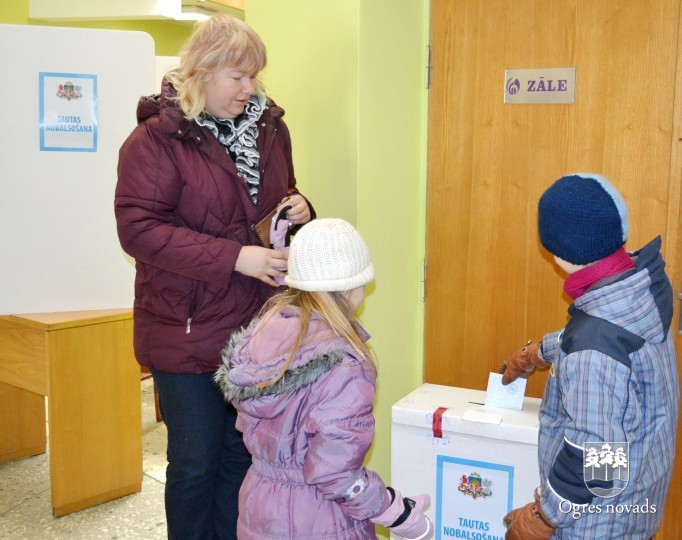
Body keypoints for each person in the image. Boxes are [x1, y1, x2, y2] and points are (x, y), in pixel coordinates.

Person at [114, 14, 314, 540]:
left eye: (254, 76)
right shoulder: (155, 140)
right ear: (201, 72)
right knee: (195, 463)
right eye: (237, 76)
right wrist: (234, 257)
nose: (250, 89)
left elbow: (274, 197)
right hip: (184, 330)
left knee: (240, 455)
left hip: (255, 328)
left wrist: (299, 208)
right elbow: (138, 230)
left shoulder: (271, 129)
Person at [215, 218, 434, 540]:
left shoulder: (263, 334)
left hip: (259, 505)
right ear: (352, 288)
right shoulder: (345, 367)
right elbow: (335, 474)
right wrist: (397, 512)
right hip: (318, 519)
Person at [500, 173, 679, 539]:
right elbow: (611, 339)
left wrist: (543, 517)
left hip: (597, 523)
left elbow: (594, 458)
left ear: (557, 251)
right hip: (639, 501)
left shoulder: (594, 347)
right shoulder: (639, 288)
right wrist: (538, 353)